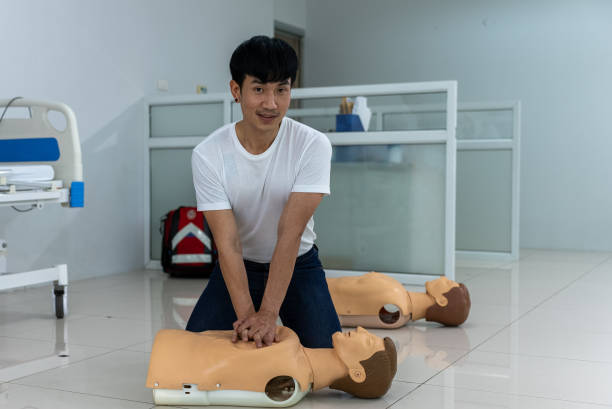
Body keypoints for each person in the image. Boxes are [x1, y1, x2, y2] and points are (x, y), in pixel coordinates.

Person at [186, 35, 341, 349]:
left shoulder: (312, 145)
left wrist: (269, 313)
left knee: (328, 354)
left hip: (298, 262)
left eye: (281, 90)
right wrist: (248, 320)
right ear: (236, 91)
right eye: (258, 89)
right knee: (194, 351)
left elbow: (290, 232)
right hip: (240, 263)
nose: (271, 104)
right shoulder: (208, 154)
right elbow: (227, 243)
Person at [146, 326, 396, 406]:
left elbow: (225, 390)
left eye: (368, 340)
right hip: (185, 348)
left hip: (175, 362)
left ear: (357, 371)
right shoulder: (296, 359)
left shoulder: (293, 382)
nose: (361, 329)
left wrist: (177, 391)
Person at [327, 273, 471, 328]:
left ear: (441, 300)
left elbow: (343, 288)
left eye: (447, 283)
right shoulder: (399, 303)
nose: (443, 278)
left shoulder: (397, 299)